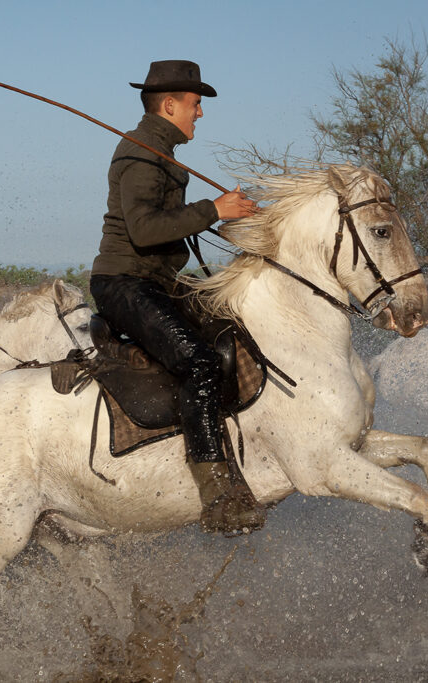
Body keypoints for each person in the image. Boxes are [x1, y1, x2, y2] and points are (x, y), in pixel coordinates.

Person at [89, 61, 264, 534]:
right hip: (124, 283)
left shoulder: (160, 150)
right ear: (169, 105)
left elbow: (170, 224)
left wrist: (232, 217)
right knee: (200, 362)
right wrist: (212, 208)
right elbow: (144, 230)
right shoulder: (140, 153)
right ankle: (217, 496)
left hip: (155, 282)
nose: (200, 113)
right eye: (195, 104)